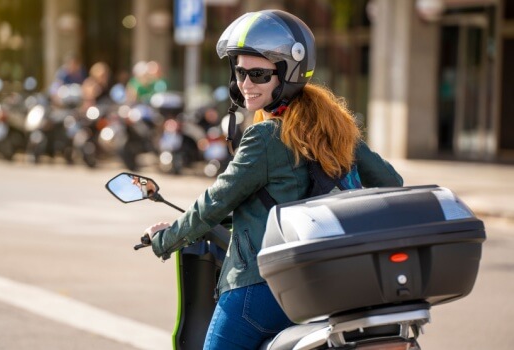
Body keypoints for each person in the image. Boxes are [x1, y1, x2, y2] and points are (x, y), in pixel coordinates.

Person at [144, 9, 403, 350]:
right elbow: (391, 184)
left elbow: (214, 203)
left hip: (262, 287)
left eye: (259, 74)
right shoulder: (336, 127)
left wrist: (166, 240)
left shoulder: (265, 137)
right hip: (332, 286)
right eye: (240, 72)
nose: (246, 84)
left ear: (287, 75)